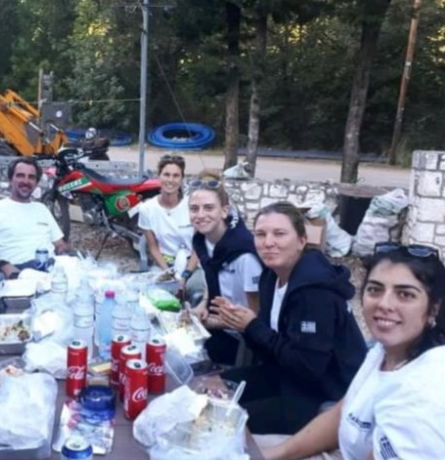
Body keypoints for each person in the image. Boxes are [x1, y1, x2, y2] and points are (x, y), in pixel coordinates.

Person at [259, 243, 445, 460]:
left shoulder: (423, 395)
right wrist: (272, 455)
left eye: (405, 294)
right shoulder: (384, 351)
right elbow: (343, 412)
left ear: (434, 308)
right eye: (375, 289)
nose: (384, 304)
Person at [215, 201, 366, 435]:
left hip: (326, 390)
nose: (268, 243)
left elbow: (309, 368)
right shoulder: (270, 277)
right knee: (214, 387)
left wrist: (253, 326)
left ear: (301, 241)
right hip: (288, 374)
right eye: (261, 234)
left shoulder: (314, 293)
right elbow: (271, 350)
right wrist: (243, 324)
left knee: (225, 421)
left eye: (279, 234)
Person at [188, 170, 262, 364]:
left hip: (242, 340)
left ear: (224, 211)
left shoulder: (244, 255)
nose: (200, 215)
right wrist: (203, 304)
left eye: (209, 208)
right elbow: (211, 278)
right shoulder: (203, 240)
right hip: (219, 322)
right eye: (194, 209)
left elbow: (256, 315)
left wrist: (212, 322)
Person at [0, 156, 71, 279]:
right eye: (20, 176)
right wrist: (4, 266)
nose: (26, 181)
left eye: (31, 177)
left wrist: (63, 252)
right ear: (10, 180)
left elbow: (60, 244)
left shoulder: (41, 209)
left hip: (51, 269)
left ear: (36, 183)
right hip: (19, 273)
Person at [138, 154, 205, 300]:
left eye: (176, 176)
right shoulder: (147, 209)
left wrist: (185, 275)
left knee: (197, 294)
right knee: (157, 297)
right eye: (166, 174)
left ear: (181, 179)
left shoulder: (192, 206)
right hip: (164, 264)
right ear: (159, 176)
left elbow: (199, 247)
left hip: (191, 265)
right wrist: (169, 275)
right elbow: (153, 248)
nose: (170, 180)